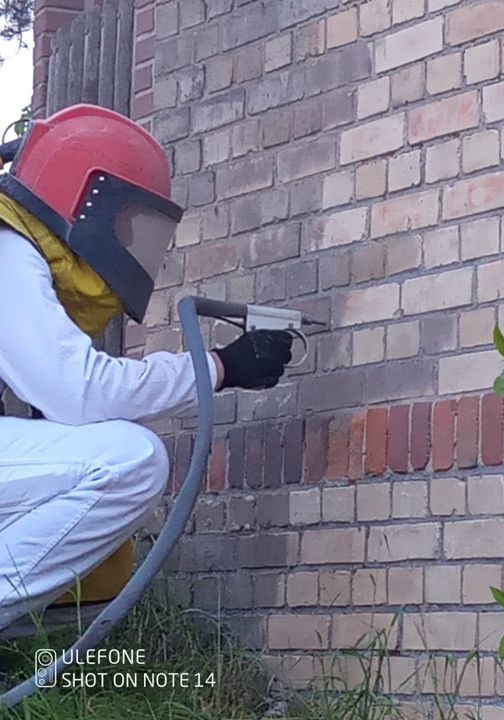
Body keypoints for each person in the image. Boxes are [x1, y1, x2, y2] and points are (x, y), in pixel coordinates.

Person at [0, 104, 293, 630]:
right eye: (127, 222)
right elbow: (76, 390)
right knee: (128, 463)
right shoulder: (4, 245)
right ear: (84, 195)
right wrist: (218, 367)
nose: (133, 242)